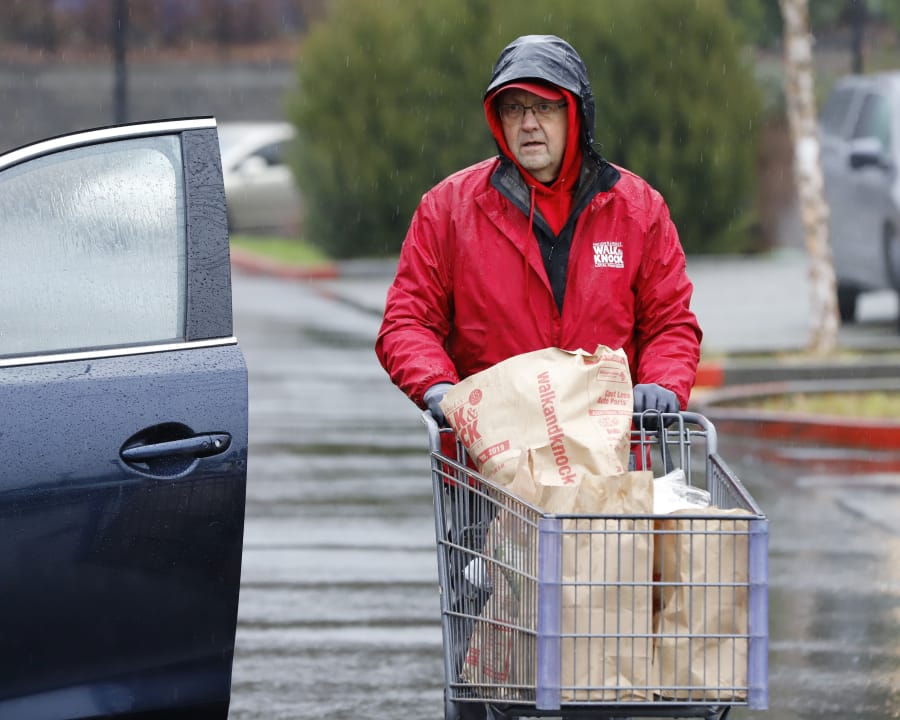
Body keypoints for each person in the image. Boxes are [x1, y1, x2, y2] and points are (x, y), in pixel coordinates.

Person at [376, 33, 702, 431]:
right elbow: (408, 321)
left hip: (610, 457)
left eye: (545, 108)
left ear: (575, 114)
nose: (528, 123)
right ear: (499, 119)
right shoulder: (448, 210)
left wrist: (661, 382)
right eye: (514, 109)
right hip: (491, 462)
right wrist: (438, 385)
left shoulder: (637, 209)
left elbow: (669, 322)